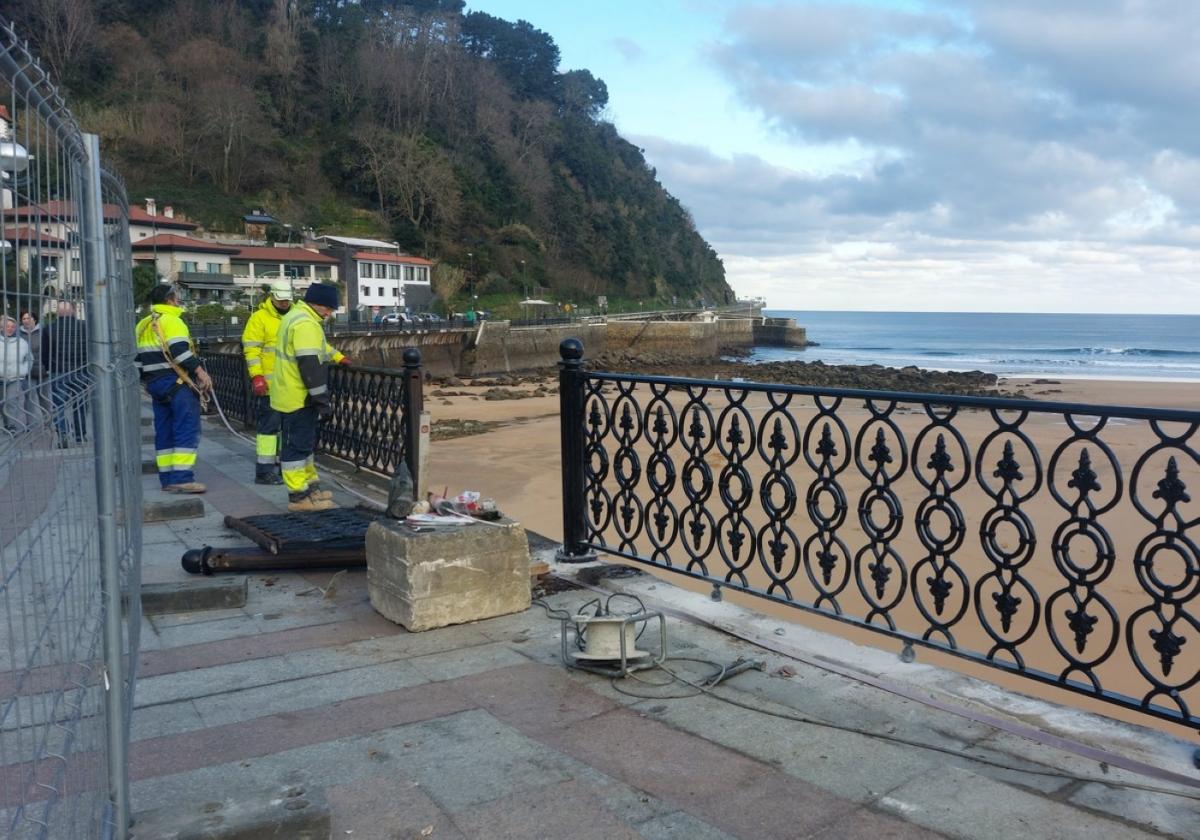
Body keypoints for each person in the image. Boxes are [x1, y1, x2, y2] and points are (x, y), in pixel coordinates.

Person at [271, 283, 352, 512]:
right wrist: (322, 401)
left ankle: (310, 490)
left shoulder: (296, 317)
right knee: (296, 449)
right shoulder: (306, 324)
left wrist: (337, 357)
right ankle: (298, 498)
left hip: (290, 393)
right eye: (328, 308)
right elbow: (310, 366)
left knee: (303, 446)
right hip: (298, 396)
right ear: (316, 304)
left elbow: (319, 348)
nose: (330, 313)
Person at [135, 285, 212, 493]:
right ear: (169, 300)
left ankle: (168, 479)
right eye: (177, 298)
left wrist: (149, 382)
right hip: (176, 383)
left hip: (155, 384)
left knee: (165, 431)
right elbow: (179, 351)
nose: (179, 301)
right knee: (186, 428)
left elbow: (137, 360)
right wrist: (200, 372)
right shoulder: (173, 320)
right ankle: (182, 478)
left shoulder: (143, 323)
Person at [242, 280, 294, 484]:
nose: (284, 302)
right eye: (280, 299)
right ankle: (264, 471)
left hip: (292, 386)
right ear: (271, 296)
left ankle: (286, 468)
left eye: (287, 299)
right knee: (269, 430)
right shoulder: (259, 318)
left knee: (289, 430)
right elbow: (252, 350)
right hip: (270, 387)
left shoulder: (295, 315)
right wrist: (257, 376)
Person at [40, 300, 89, 447]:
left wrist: (48, 368)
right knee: (80, 405)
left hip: (58, 371)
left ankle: (63, 434)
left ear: (58, 313)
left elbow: (45, 353)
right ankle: (80, 436)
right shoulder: (85, 327)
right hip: (81, 371)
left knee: (58, 406)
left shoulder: (49, 329)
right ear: (74, 311)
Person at [1, 315, 32, 432]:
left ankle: (11, 426)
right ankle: (6, 423)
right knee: (2, 404)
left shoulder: (22, 342)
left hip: (15, 378)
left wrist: (23, 370)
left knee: (11, 401)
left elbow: (30, 359)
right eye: (7, 326)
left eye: (12, 327)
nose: (10, 329)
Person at [19, 310, 49, 424]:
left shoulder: (43, 331)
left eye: (29, 318)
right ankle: (30, 424)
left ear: (35, 319)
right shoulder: (19, 334)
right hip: (27, 373)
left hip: (43, 371)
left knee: (44, 399)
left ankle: (48, 421)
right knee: (29, 399)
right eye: (24, 319)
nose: (26, 321)